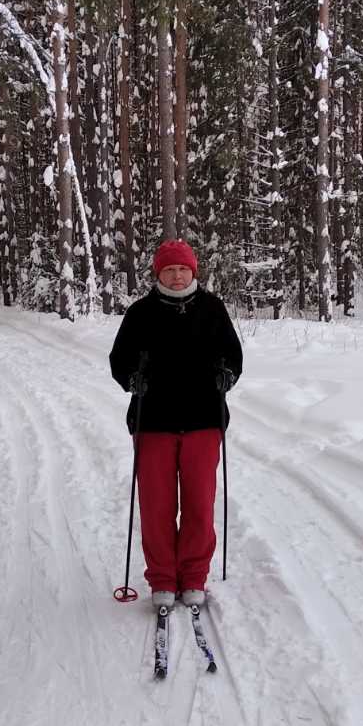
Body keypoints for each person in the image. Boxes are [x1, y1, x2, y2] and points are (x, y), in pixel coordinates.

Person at [109, 240, 243, 609]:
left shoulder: (213, 309)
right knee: (157, 507)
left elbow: (234, 354)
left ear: (193, 271)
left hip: (203, 422)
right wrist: (131, 379)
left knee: (200, 505)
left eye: (183, 268)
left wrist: (227, 374)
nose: (177, 275)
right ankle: (164, 579)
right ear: (159, 273)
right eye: (170, 269)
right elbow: (119, 359)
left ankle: (194, 577)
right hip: (154, 423)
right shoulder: (141, 313)